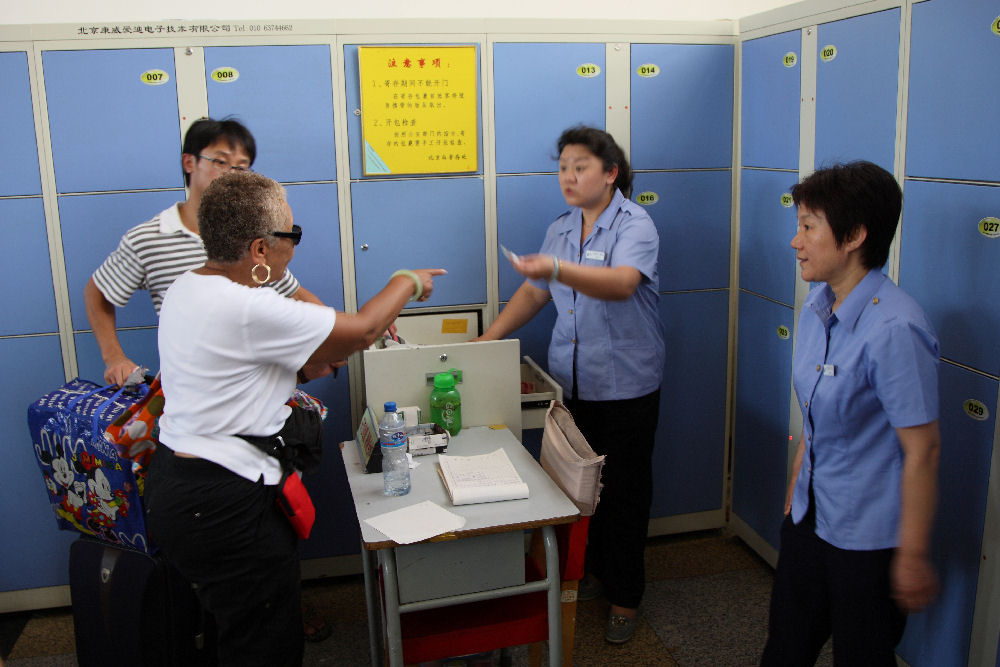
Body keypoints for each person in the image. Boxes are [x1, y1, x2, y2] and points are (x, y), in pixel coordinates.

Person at [144, 171, 444, 666]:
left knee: (234, 628)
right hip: (226, 504)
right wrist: (406, 281)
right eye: (292, 235)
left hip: (179, 486)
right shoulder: (248, 306)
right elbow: (365, 328)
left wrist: (303, 367)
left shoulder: (188, 287)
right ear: (260, 249)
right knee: (266, 644)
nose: (295, 247)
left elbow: (226, 377)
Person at [476, 126, 664, 644]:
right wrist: (488, 341)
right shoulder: (562, 228)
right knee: (579, 493)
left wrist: (559, 268)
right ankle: (594, 573)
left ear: (611, 174)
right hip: (572, 386)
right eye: (562, 166)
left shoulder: (635, 224)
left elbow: (623, 284)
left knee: (624, 495)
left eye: (581, 166)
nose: (569, 176)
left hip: (626, 387)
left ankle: (626, 597)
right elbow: (536, 293)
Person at [760, 162, 941, 666]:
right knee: (785, 649)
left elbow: (922, 451)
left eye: (808, 227)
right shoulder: (817, 306)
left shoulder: (895, 328)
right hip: (809, 517)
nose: (795, 242)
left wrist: (911, 553)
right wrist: (795, 493)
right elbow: (816, 418)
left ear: (855, 235)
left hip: (868, 539)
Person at [84, 117, 324, 387]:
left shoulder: (250, 236)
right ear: (190, 163)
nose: (232, 175)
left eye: (241, 167)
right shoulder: (150, 237)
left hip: (256, 391)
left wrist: (336, 336)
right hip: (195, 393)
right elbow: (98, 292)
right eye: (220, 162)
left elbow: (296, 294)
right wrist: (114, 357)